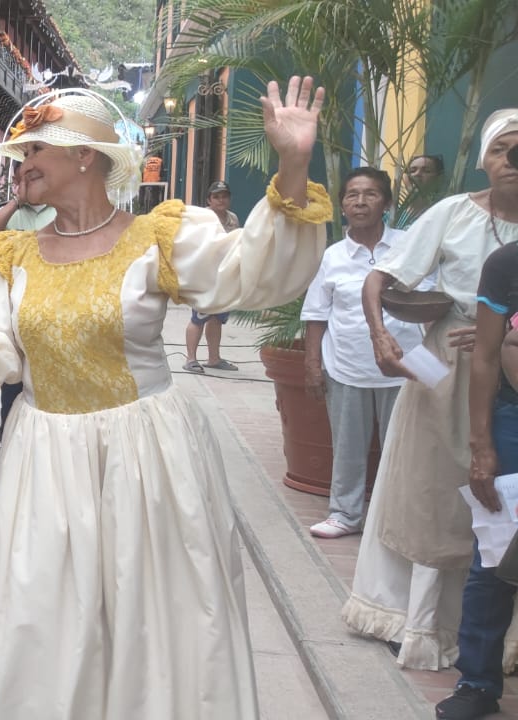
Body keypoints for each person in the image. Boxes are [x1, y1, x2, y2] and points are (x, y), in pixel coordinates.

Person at [0, 78, 330, 719]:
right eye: (21, 151)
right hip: (46, 460)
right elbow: (0, 357)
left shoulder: (158, 239)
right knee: (40, 617)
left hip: (148, 460)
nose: (22, 163)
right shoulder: (12, 255)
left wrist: (293, 163)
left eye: (37, 149)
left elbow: (251, 270)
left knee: (155, 614)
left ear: (85, 156)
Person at [340, 110, 518, 680]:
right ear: (485, 160)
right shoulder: (452, 214)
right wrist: (381, 334)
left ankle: (497, 641)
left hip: (512, 372)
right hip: (445, 371)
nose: (510, 161)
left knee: (504, 500)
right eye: (501, 150)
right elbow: (382, 278)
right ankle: (419, 623)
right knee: (433, 494)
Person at [412, 113, 518, 720]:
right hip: (510, 418)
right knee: (497, 554)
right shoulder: (504, 267)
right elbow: (484, 358)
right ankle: (477, 682)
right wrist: (483, 445)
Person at [300, 167, 422, 540]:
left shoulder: (409, 245)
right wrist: (312, 364)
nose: (361, 202)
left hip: (405, 367)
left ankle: (397, 518)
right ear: (342, 206)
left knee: (403, 447)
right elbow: (317, 314)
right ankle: (345, 514)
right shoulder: (333, 256)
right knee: (348, 446)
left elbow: (431, 300)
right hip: (347, 366)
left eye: (370, 194)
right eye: (352, 195)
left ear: (385, 202)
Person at [0, 168, 56, 492]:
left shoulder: (59, 212)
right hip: (14, 325)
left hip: (50, 319)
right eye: (20, 179)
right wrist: (14, 203)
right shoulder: (9, 214)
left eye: (33, 178)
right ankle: (7, 462)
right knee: (11, 399)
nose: (26, 184)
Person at [183, 179, 241, 374]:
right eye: (216, 197)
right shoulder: (203, 218)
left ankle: (214, 358)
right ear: (209, 200)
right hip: (204, 277)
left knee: (217, 318)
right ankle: (191, 359)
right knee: (198, 318)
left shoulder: (233, 219)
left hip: (225, 277)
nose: (221, 200)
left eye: (224, 196)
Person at [402, 153, 448, 222]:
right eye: (412, 171)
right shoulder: (393, 214)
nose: (417, 174)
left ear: (438, 178)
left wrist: (412, 191)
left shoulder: (443, 210)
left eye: (426, 171)